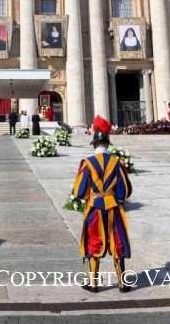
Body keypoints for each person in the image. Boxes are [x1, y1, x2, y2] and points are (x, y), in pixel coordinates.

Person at [73, 116, 132, 293]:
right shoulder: (118, 163)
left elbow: (79, 191)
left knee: (93, 241)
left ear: (94, 144)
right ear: (108, 143)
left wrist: (91, 196)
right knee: (117, 241)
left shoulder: (87, 163)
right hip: (113, 207)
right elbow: (125, 192)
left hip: (95, 207)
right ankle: (122, 283)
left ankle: (93, 283)